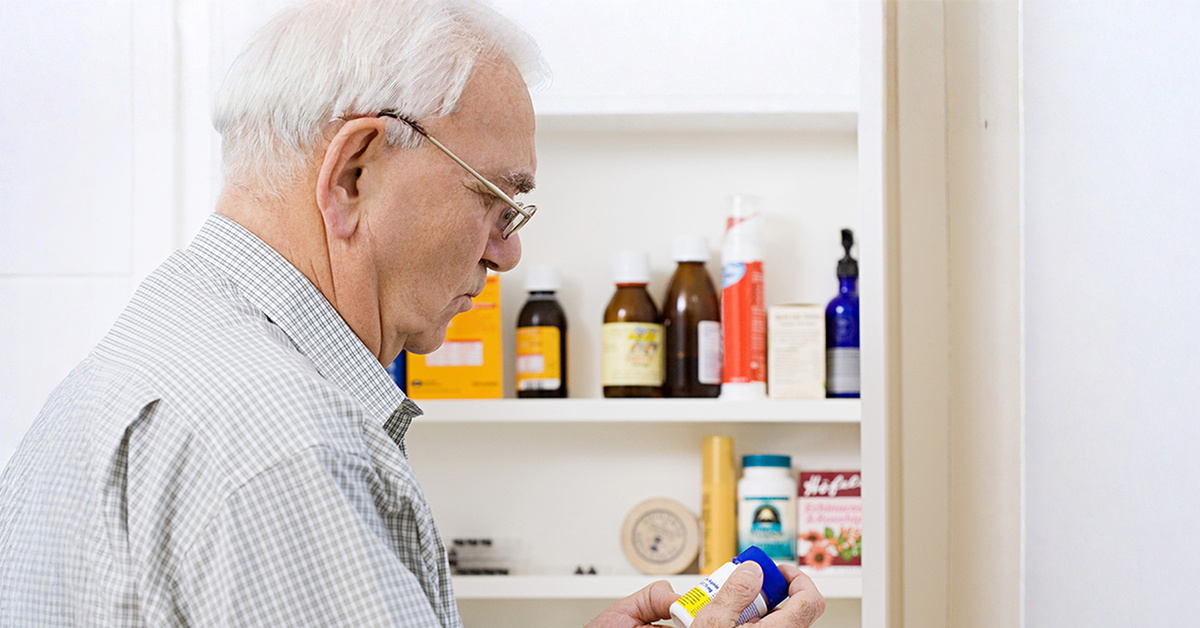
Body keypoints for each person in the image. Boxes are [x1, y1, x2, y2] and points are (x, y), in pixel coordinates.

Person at [0, 0, 825, 626]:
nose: (507, 254)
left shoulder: (143, 366)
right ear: (354, 172)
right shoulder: (281, 440)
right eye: (497, 201)